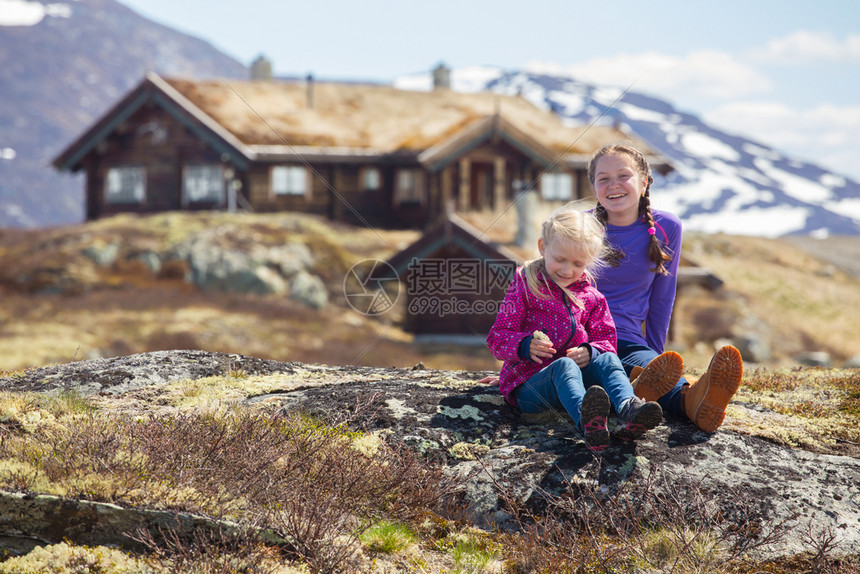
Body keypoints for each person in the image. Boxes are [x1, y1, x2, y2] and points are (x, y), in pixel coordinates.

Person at [486, 205, 680, 451]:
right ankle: (587, 422)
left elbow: (607, 340)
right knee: (564, 365)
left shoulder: (593, 297)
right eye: (560, 260)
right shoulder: (525, 286)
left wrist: (592, 351)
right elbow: (497, 338)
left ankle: (629, 408)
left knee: (608, 359)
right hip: (530, 386)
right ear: (543, 247)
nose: (568, 270)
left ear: (589, 261)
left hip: (576, 381)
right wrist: (524, 346)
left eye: (578, 263)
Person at [587, 143, 743, 433]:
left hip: (630, 341)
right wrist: (528, 367)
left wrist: (656, 360)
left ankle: (693, 400)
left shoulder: (666, 226)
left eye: (624, 176)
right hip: (582, 340)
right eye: (603, 178)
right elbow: (550, 292)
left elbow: (663, 297)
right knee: (601, 372)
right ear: (594, 186)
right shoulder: (580, 227)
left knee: (643, 370)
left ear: (644, 182)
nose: (613, 185)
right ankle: (645, 388)